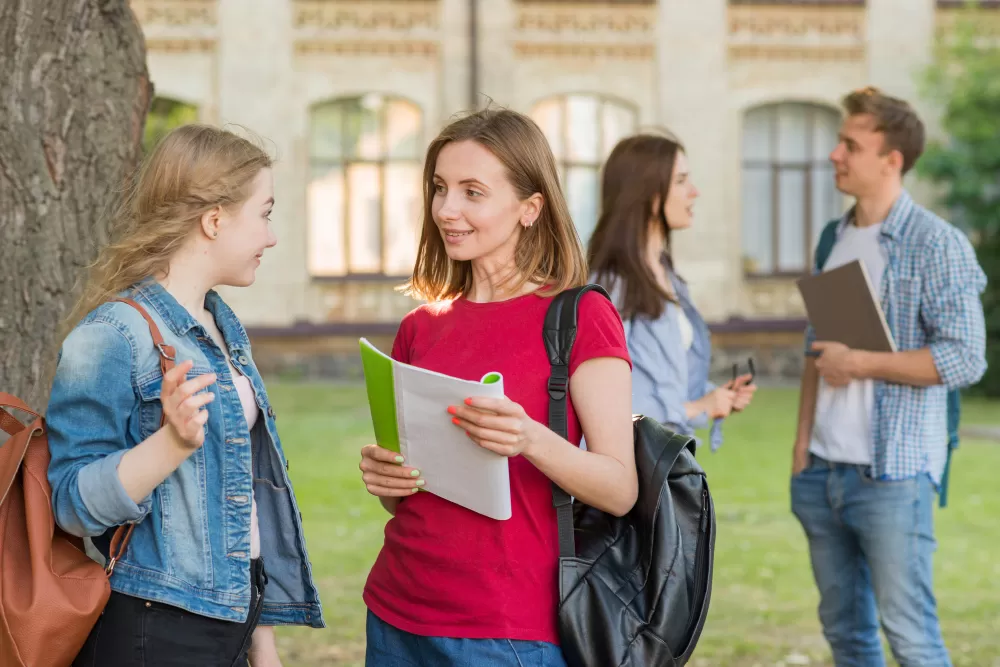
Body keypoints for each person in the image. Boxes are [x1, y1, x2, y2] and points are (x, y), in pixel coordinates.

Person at [357, 108, 637, 667]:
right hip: (396, 610)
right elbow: (408, 498)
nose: (447, 210)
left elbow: (619, 488)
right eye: (439, 188)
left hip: (510, 630)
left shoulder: (580, 316)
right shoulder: (420, 326)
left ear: (529, 208)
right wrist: (386, 477)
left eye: (472, 192)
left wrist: (529, 437)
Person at [46, 124, 324, 667]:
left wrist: (263, 647)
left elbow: (242, 495)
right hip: (157, 629)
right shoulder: (114, 334)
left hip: (231, 622)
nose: (271, 237)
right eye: (264, 213)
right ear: (215, 219)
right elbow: (71, 504)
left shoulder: (220, 324)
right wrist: (171, 444)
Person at [791, 87, 987, 667]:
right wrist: (802, 446)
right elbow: (815, 347)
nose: (835, 155)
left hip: (893, 477)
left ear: (892, 159)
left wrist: (864, 363)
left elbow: (965, 358)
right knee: (847, 637)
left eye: (850, 144)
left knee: (912, 639)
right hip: (822, 471)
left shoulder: (937, 244)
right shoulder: (833, 236)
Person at [588, 133, 757, 450]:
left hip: (667, 465)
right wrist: (697, 408)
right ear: (649, 195)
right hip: (632, 473)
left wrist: (716, 397)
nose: (694, 192)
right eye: (681, 181)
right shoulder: (611, 285)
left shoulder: (666, 274)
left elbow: (663, 384)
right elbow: (600, 401)